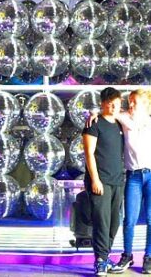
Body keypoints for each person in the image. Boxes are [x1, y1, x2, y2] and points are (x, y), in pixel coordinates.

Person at [85, 87, 128, 276]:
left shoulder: (120, 124)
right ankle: (100, 260)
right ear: (102, 103)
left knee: (114, 222)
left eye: (116, 102)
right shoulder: (94, 124)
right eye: (109, 102)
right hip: (100, 181)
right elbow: (88, 153)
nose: (113, 106)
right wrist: (95, 179)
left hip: (118, 180)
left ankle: (106, 255)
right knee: (102, 222)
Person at [109, 89, 151, 273]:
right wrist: (94, 114)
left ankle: (148, 257)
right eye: (130, 101)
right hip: (133, 175)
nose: (131, 104)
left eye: (135, 101)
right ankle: (127, 256)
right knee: (129, 219)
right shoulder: (124, 118)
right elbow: (107, 113)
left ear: (146, 104)